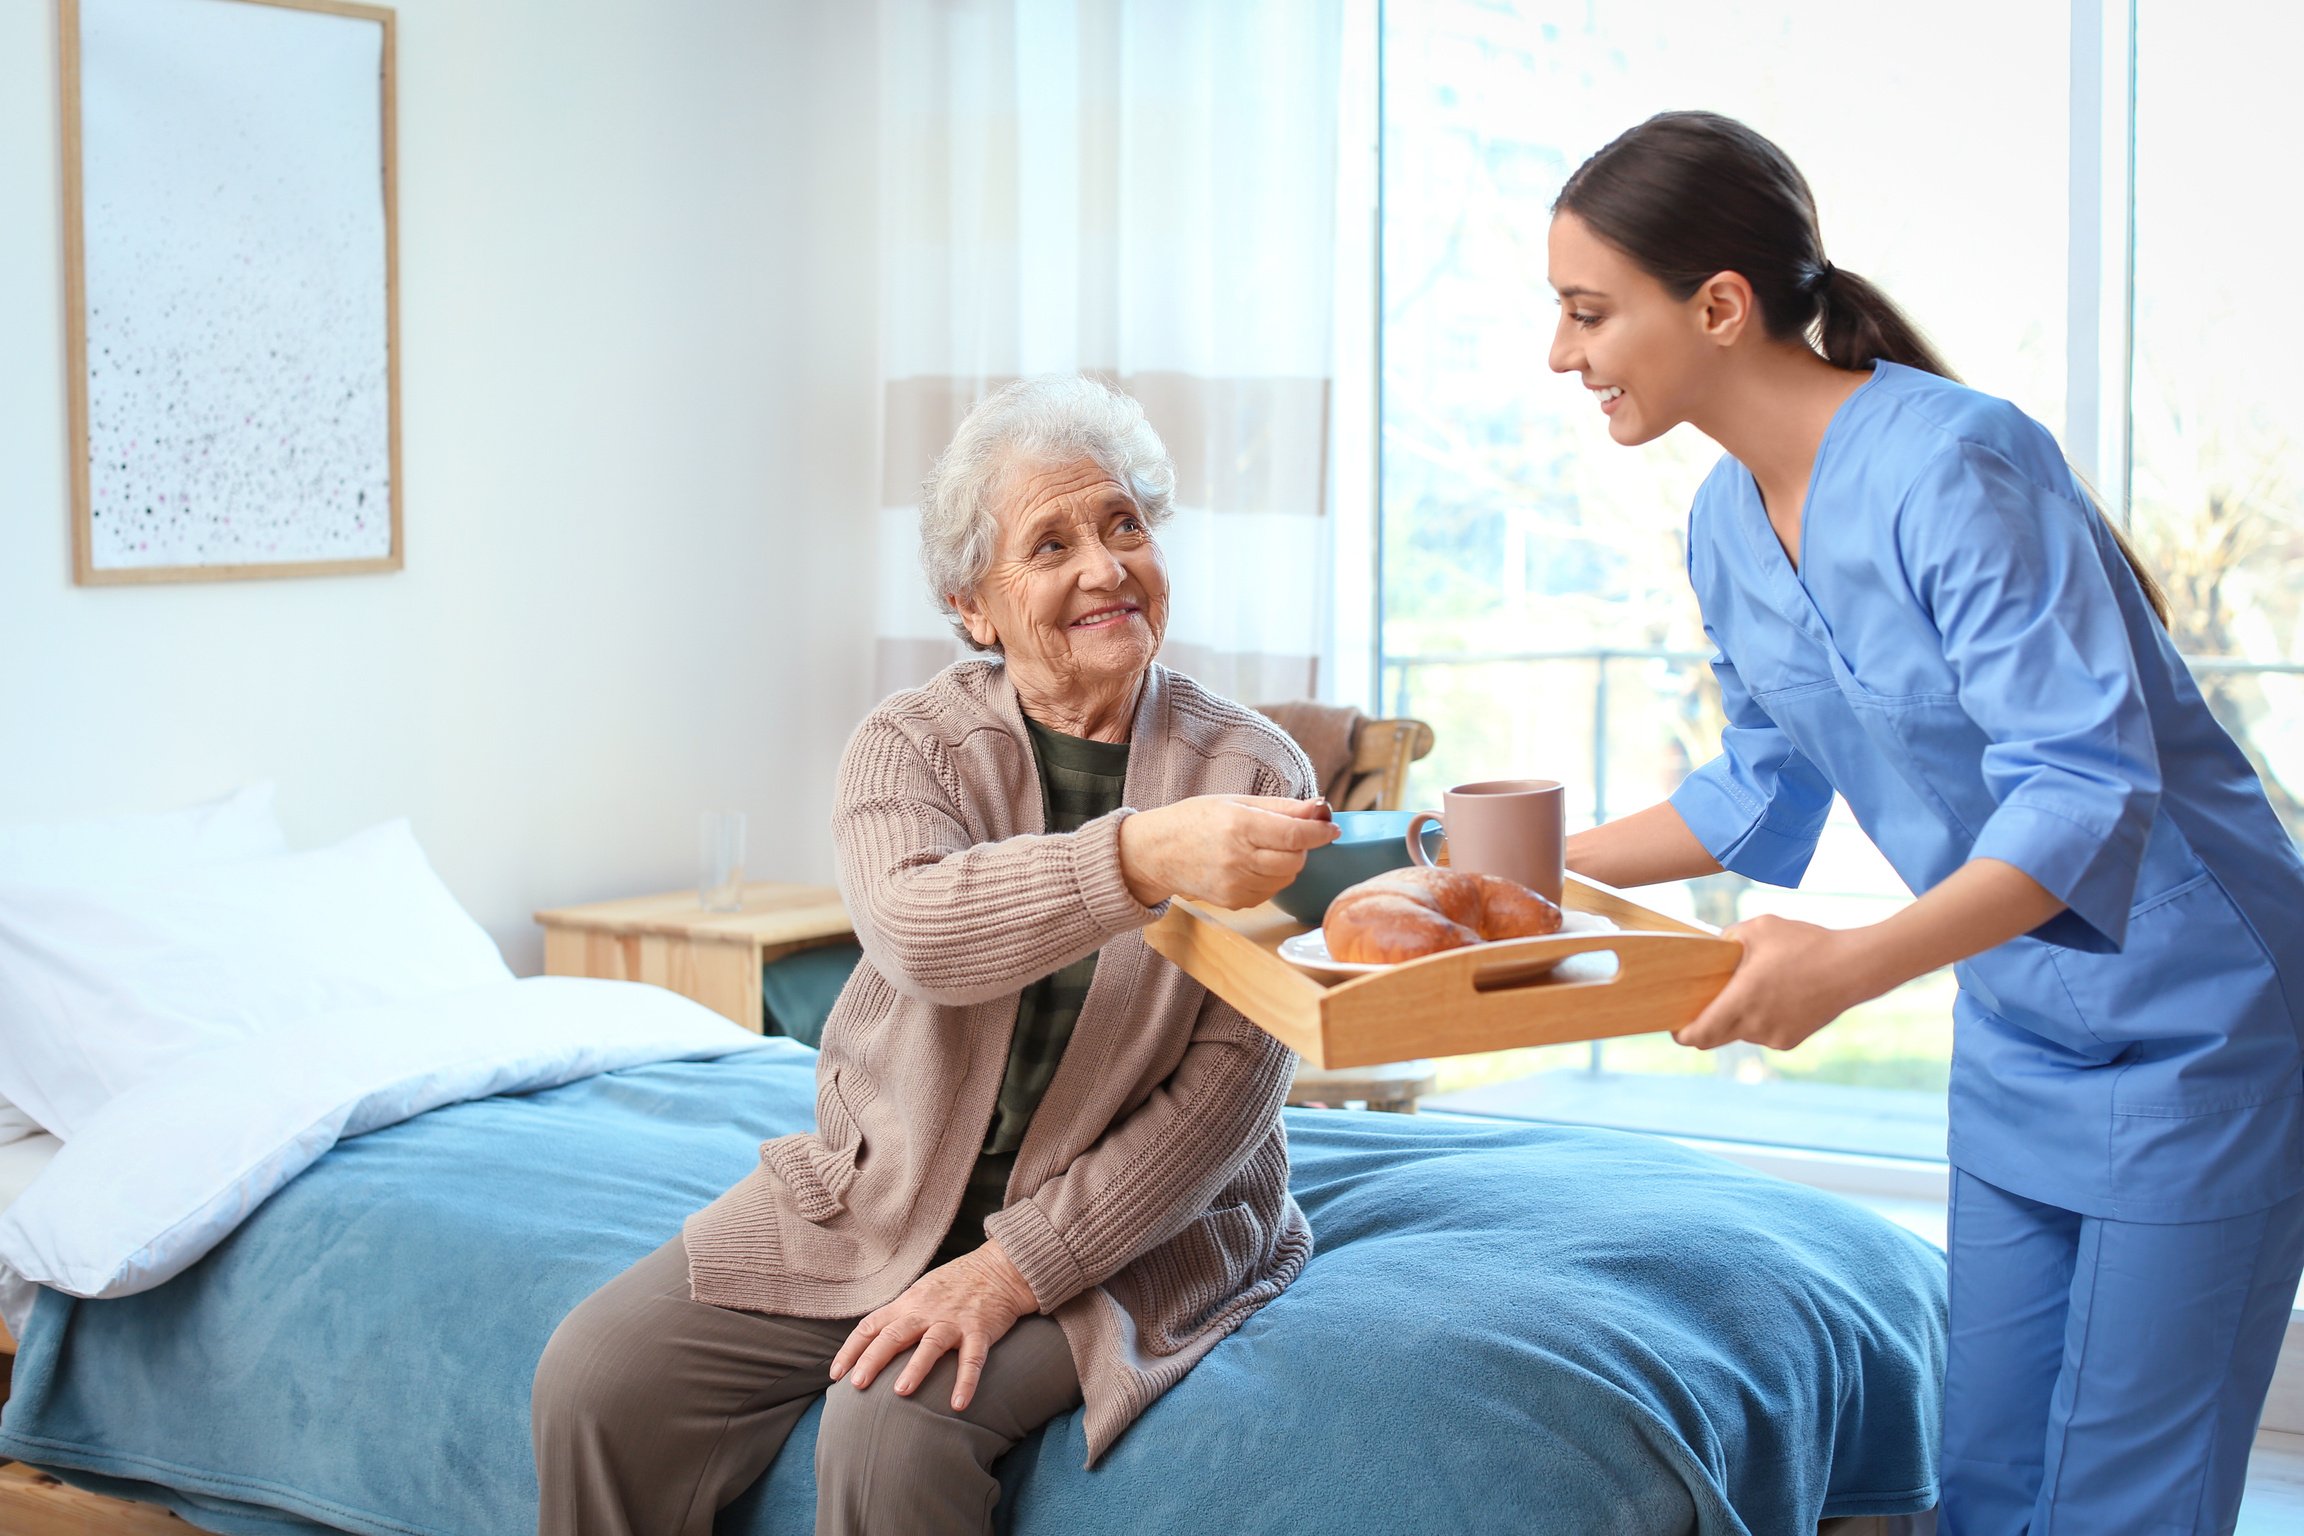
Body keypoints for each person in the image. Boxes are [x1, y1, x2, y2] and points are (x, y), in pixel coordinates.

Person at [1550, 111, 2304, 1534]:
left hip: (2202, 1017)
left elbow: (2085, 787)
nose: (1562, 355)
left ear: (1718, 306)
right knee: (1991, 1479)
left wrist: (1848, 965)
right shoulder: (1721, 520)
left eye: (1588, 313)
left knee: (2119, 1501)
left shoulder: (1956, 462)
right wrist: (1497, 864)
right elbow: (1756, 789)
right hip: (2021, 1021)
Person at [530, 375, 1338, 1534]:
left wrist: (1012, 1268)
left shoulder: (1254, 775)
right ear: (973, 607)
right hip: (884, 1195)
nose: (1108, 567)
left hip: (1132, 1229)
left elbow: (1227, 1096)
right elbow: (920, 936)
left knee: (894, 1418)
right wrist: (1143, 856)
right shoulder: (908, 747)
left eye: (1126, 525)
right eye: (1051, 543)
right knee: (598, 1376)